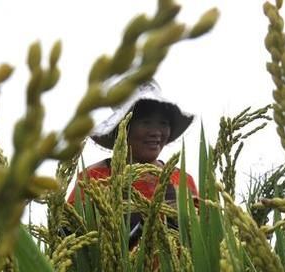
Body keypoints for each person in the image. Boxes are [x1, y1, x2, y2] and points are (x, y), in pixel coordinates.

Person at [67, 80, 199, 246]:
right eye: (146, 122)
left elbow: (201, 236)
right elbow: (70, 235)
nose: (156, 132)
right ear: (124, 127)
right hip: (116, 271)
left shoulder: (181, 179)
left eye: (163, 123)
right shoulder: (95, 177)